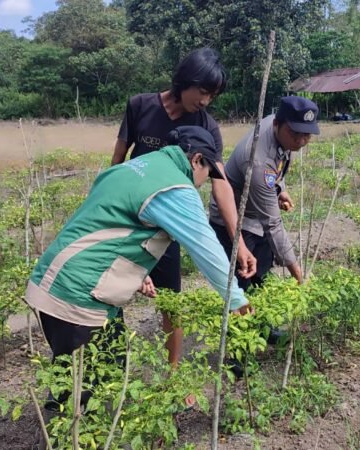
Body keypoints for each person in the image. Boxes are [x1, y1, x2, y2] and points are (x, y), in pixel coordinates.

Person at [27, 126, 253, 408]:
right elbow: (205, 247)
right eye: (208, 173)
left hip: (54, 281)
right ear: (197, 160)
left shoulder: (135, 167)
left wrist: (136, 272)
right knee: (92, 384)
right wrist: (236, 300)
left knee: (88, 369)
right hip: (78, 296)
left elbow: (111, 221)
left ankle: (67, 411)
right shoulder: (175, 187)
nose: (203, 182)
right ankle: (73, 422)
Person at [111, 47, 256, 367]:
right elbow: (118, 158)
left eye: (212, 96)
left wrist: (239, 243)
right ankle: (111, 367)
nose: (205, 101)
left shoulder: (206, 125)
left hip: (167, 225)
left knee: (171, 303)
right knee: (111, 291)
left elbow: (221, 184)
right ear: (185, 80)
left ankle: (173, 373)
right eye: (203, 91)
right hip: (129, 219)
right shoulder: (140, 106)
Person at [209, 96, 320, 290]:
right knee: (239, 286)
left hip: (256, 218)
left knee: (262, 279)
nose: (301, 141)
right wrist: (299, 277)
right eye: (295, 133)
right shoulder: (257, 162)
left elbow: (276, 162)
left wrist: (279, 188)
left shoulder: (276, 126)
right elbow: (273, 223)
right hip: (235, 222)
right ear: (277, 124)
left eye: (307, 135)